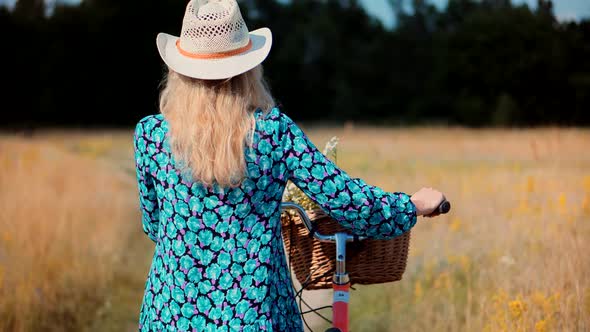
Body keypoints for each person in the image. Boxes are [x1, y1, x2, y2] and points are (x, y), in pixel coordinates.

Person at [133, 0, 446, 331]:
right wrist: (410, 206)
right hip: (255, 317)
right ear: (248, 68)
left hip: (169, 314)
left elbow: (155, 224)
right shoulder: (273, 132)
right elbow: (345, 200)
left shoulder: (151, 136)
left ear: (179, 70)